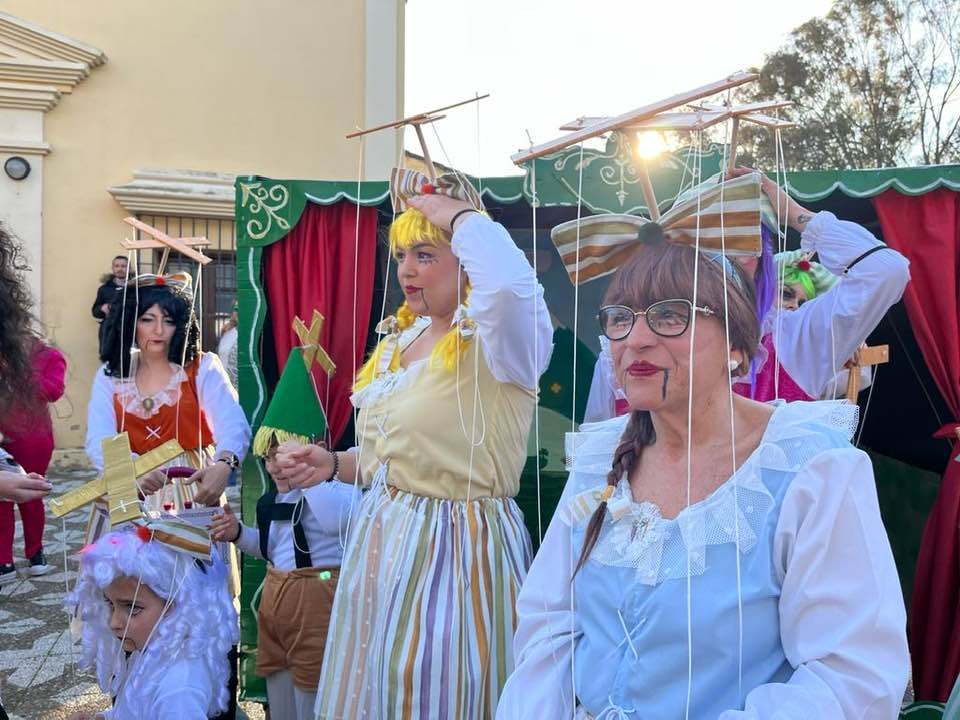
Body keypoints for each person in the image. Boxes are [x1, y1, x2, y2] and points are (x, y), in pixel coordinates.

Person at [496, 224, 909, 718]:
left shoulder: (809, 470)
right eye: (620, 318)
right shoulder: (601, 459)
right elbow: (549, 626)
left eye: (671, 316)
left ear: (737, 346)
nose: (636, 339)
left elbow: (851, 676)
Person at [272, 172, 554, 719]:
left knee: (437, 693)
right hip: (384, 544)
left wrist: (461, 216)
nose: (406, 270)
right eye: (402, 256)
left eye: (425, 255)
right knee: (376, 690)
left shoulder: (499, 343)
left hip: (459, 552)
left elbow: (508, 290)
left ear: (467, 262)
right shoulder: (400, 342)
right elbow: (390, 460)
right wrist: (332, 464)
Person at [578, 170, 909, 417]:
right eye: (706, 240)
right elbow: (596, 471)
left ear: (762, 256)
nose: (723, 256)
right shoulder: (626, 349)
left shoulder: (792, 341)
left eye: (740, 240)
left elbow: (885, 272)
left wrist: (796, 214)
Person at [210, 344, 358, 720]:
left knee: (314, 691)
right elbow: (273, 549)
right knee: (281, 690)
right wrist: (238, 533)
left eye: (285, 454)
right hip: (277, 603)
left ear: (317, 449)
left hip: (319, 599)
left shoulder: (337, 491)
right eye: (269, 455)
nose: (276, 465)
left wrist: (310, 478)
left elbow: (337, 521)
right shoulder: (272, 501)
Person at [86, 273, 250, 507]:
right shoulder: (111, 374)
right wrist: (131, 469)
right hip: (129, 483)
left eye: (169, 321)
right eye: (147, 319)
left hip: (191, 481)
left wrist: (224, 465)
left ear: (181, 325)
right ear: (131, 322)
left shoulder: (202, 367)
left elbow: (232, 422)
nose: (159, 330)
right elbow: (99, 437)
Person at [65, 521, 238, 719]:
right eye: (110, 604)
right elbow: (135, 710)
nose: (114, 623)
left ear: (178, 606)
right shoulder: (153, 648)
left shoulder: (178, 691)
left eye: (132, 608)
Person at [0, 340, 66, 583]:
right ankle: (4, 560)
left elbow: (54, 391)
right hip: (2, 437)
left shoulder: (50, 356)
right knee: (1, 502)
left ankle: (35, 553)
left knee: (31, 494)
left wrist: (20, 376)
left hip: (34, 439)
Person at [92, 256, 130, 352]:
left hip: (130, 329)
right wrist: (102, 308)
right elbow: (95, 312)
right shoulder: (104, 289)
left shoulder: (136, 287)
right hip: (109, 331)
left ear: (129, 268)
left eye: (123, 266)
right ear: (112, 268)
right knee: (108, 357)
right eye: (117, 266)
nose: (120, 269)